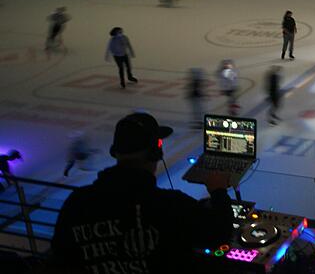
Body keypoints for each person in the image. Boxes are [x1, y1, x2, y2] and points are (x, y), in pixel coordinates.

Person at [51, 112, 234, 273]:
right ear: (156, 152)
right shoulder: (171, 206)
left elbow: (60, 261)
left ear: (116, 153)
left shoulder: (77, 203)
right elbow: (220, 234)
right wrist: (218, 191)